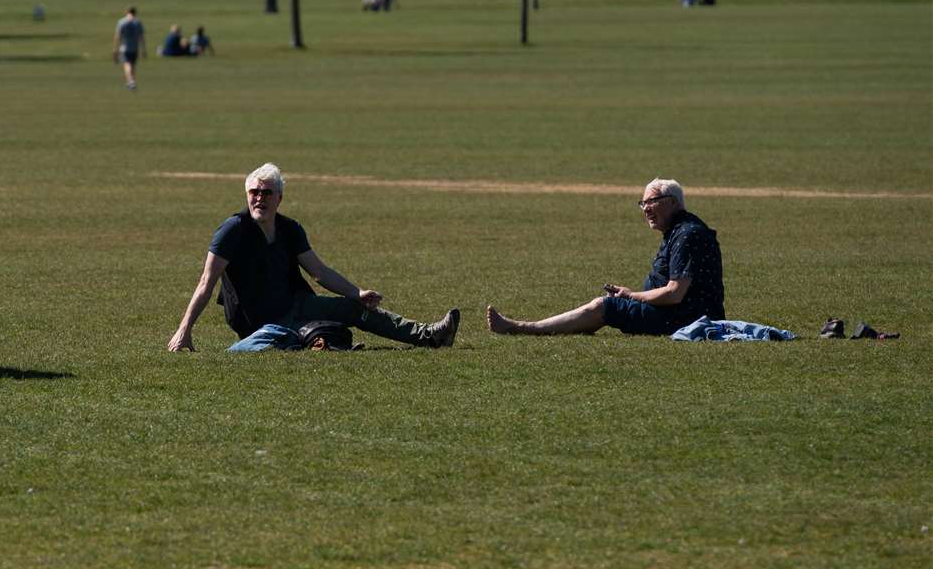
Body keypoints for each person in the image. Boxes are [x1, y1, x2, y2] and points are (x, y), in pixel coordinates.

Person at [167, 164, 460, 353]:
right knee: (264, 343)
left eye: (267, 193)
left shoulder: (289, 228)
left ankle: (430, 335)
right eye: (254, 192)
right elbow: (207, 282)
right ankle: (317, 341)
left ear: (279, 198)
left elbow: (319, 272)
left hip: (296, 304)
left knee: (353, 309)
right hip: (259, 322)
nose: (259, 198)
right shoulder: (232, 231)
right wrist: (184, 330)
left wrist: (356, 292)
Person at [485, 178, 724, 338]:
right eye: (642, 204)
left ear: (673, 203)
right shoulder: (679, 230)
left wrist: (632, 296)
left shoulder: (688, 235)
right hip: (679, 314)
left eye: (651, 202)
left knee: (603, 306)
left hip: (684, 319)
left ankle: (522, 328)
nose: (645, 209)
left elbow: (675, 293)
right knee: (610, 305)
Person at [113, 5, 143, 90]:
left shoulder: (121, 22)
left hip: (125, 47)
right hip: (135, 47)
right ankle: (130, 82)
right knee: (133, 65)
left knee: (127, 65)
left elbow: (117, 36)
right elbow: (141, 37)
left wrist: (115, 49)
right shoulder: (138, 22)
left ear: (127, 12)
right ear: (135, 12)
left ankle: (131, 81)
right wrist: (143, 49)